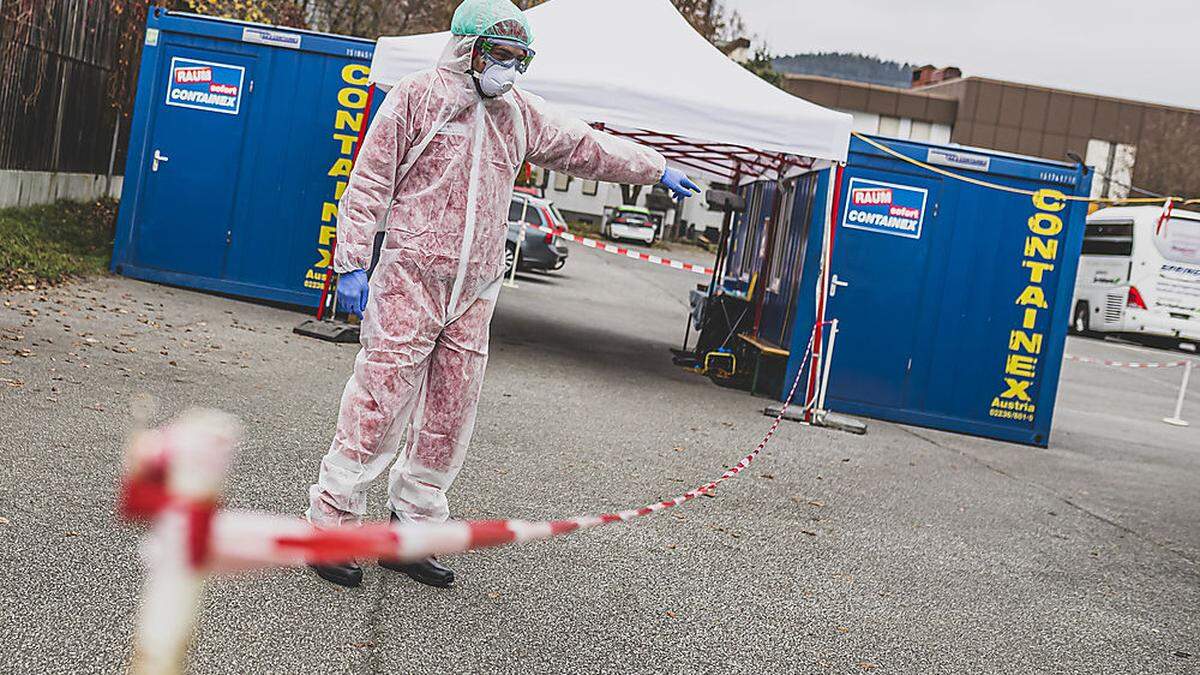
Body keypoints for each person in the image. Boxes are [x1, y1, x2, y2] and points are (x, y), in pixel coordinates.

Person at [306, 0, 701, 588]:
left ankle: (414, 530)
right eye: (502, 56)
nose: (511, 70)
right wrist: (352, 263)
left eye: (522, 59)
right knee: (377, 401)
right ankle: (332, 526)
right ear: (469, 49)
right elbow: (368, 182)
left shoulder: (517, 114)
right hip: (411, 278)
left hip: (474, 289)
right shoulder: (415, 98)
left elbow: (583, 146)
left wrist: (651, 167)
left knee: (449, 412)